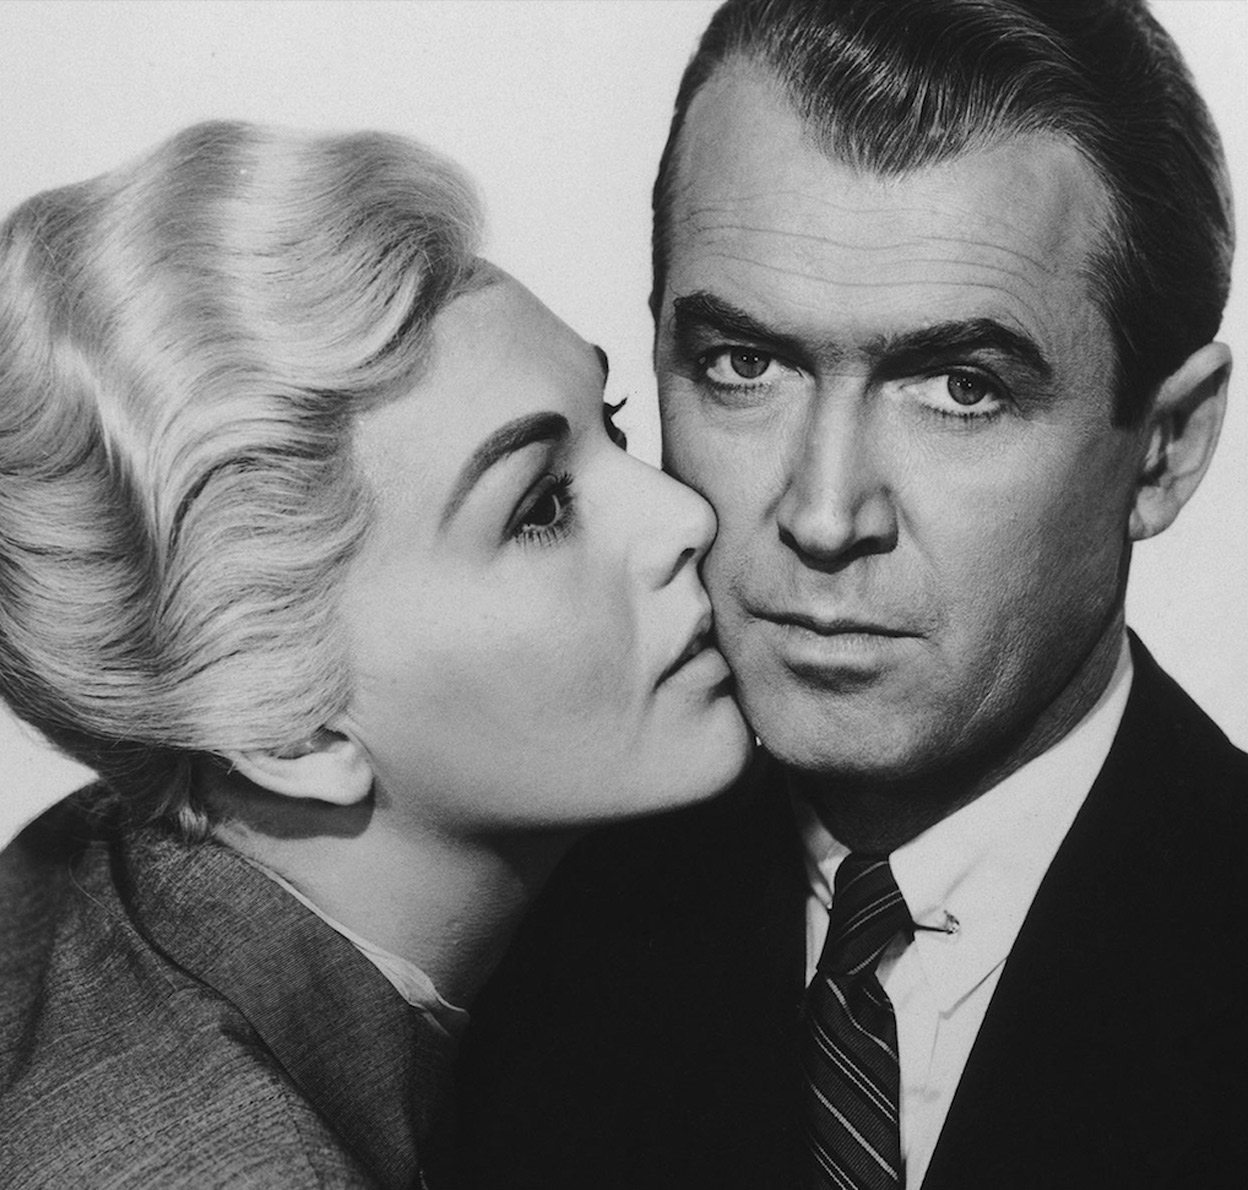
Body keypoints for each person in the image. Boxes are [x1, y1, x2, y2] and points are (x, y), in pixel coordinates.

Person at [454, 2, 1248, 1187]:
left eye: (961, 388)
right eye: (744, 364)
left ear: (1167, 449)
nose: (825, 517)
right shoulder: (499, 932)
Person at [0, 120, 752, 1189]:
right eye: (541, 507)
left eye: (614, 425)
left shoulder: (109, 877)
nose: (686, 516)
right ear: (292, 732)